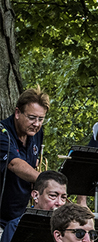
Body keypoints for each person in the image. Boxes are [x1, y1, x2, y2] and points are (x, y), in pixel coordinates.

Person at [0, 88, 48, 231]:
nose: (37, 124)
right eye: (32, 118)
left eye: (41, 119)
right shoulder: (3, 133)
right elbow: (15, 164)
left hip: (19, 217)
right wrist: (47, 181)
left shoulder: (37, 134)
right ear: (17, 113)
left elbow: (35, 164)